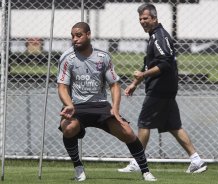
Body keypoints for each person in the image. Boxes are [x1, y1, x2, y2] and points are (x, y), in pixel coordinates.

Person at [57, 22, 156, 182]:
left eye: (79, 35)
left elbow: (114, 85)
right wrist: (68, 104)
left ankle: (145, 171)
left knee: (127, 132)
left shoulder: (103, 57)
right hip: (76, 105)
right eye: (73, 36)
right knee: (68, 128)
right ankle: (78, 167)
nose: (75, 39)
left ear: (88, 34)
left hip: (100, 105)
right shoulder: (67, 58)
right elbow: (62, 87)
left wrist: (115, 109)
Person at [118, 3, 207, 174]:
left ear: (154, 18)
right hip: (166, 88)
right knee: (174, 126)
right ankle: (196, 160)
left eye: (146, 18)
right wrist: (134, 84)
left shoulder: (159, 36)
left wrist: (143, 76)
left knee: (144, 123)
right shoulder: (153, 36)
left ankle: (138, 161)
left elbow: (165, 63)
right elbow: (149, 63)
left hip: (160, 88)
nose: (142, 21)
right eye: (140, 19)